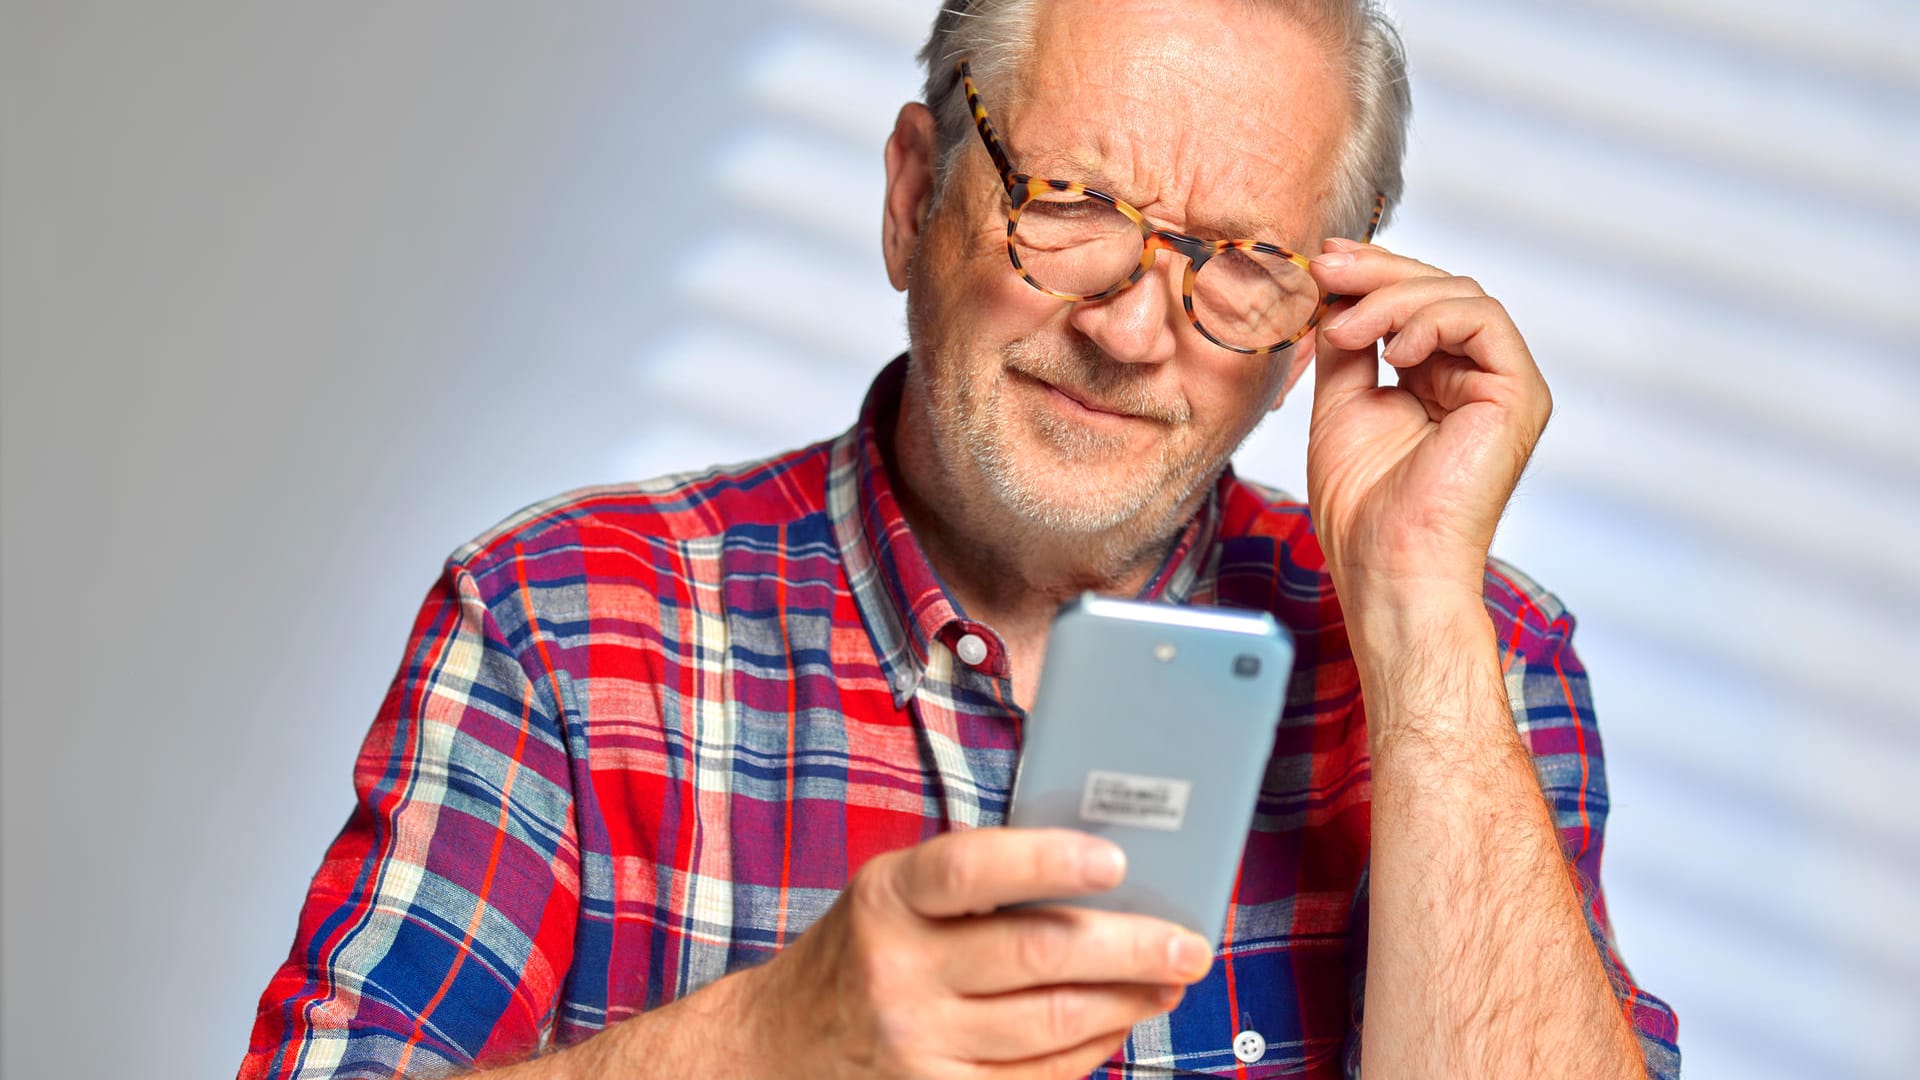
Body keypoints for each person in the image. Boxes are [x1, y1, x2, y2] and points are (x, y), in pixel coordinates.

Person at [240, 1, 1681, 1076]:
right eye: (1069, 206)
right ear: (912, 199)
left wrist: (1424, 628)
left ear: (1315, 327)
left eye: (1239, 265)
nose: (1129, 331)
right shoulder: (561, 623)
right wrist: (765, 1045)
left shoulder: (1469, 656)